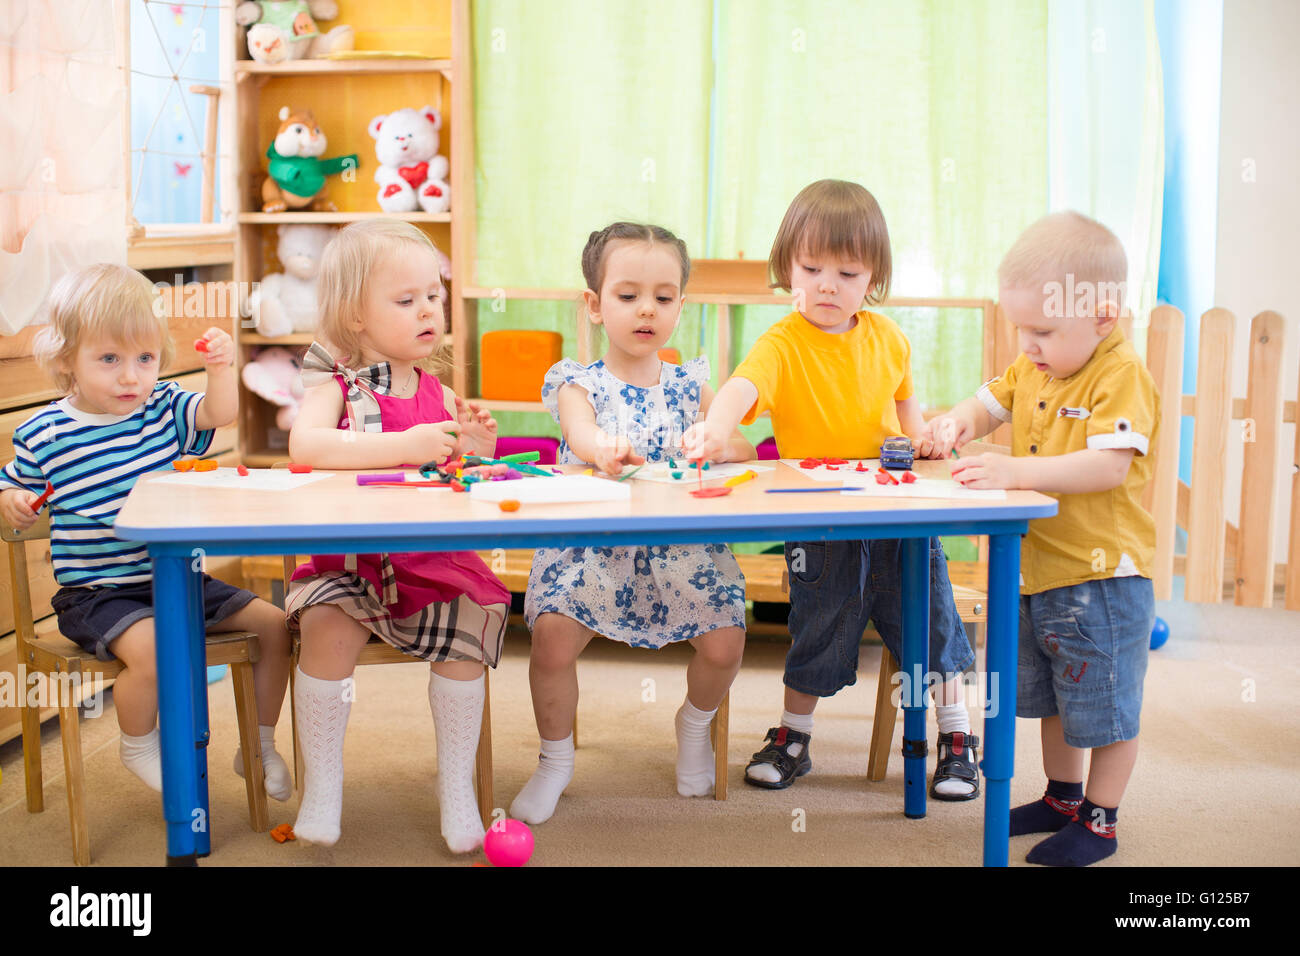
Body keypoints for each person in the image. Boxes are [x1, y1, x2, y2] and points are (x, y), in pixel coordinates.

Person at [683, 180, 980, 799]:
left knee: (935, 628)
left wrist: (928, 438)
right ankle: (793, 735)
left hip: (898, 520)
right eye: (811, 267)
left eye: (846, 272)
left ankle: (957, 739)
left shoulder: (890, 338)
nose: (826, 285)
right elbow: (741, 389)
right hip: (821, 525)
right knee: (816, 629)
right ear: (787, 266)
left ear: (872, 277)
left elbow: (909, 417)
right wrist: (715, 426)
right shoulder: (782, 343)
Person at [0, 263, 292, 800]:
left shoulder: (162, 407)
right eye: (109, 359)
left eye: (145, 358)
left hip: (179, 579)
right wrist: (13, 502)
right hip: (99, 593)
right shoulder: (43, 431)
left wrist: (221, 366)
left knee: (276, 626)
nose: (131, 377)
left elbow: (219, 412)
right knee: (158, 649)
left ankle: (259, 744)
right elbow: (12, 488)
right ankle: (138, 744)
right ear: (67, 359)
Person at [922, 211, 1157, 866]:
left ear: (1102, 318)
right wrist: (955, 423)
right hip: (1041, 574)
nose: (1026, 344)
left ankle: (1101, 822)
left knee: (1103, 709)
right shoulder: (1034, 368)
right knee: (1059, 698)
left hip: (1103, 581)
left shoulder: (1119, 374)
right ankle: (1062, 797)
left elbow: (1109, 464)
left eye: (1042, 330)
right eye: (1020, 328)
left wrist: (1016, 471)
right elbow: (985, 403)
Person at [510, 222, 752, 825]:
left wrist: (716, 441)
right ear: (594, 306)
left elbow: (743, 447)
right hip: (593, 546)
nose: (647, 309)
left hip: (683, 547)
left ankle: (693, 725)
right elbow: (580, 433)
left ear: (680, 307)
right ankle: (555, 759)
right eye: (627, 295)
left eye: (664, 297)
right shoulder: (577, 382)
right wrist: (602, 450)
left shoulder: (691, 384)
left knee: (726, 645)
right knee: (552, 640)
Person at [285, 219, 508, 853]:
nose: (429, 310)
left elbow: (456, 472)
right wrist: (402, 446)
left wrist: (476, 445)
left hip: (429, 562)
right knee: (326, 632)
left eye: (434, 295)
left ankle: (457, 790)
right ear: (355, 316)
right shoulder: (334, 381)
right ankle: (323, 787)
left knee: (470, 635)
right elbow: (306, 446)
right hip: (348, 564)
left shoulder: (437, 391)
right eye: (406, 301)